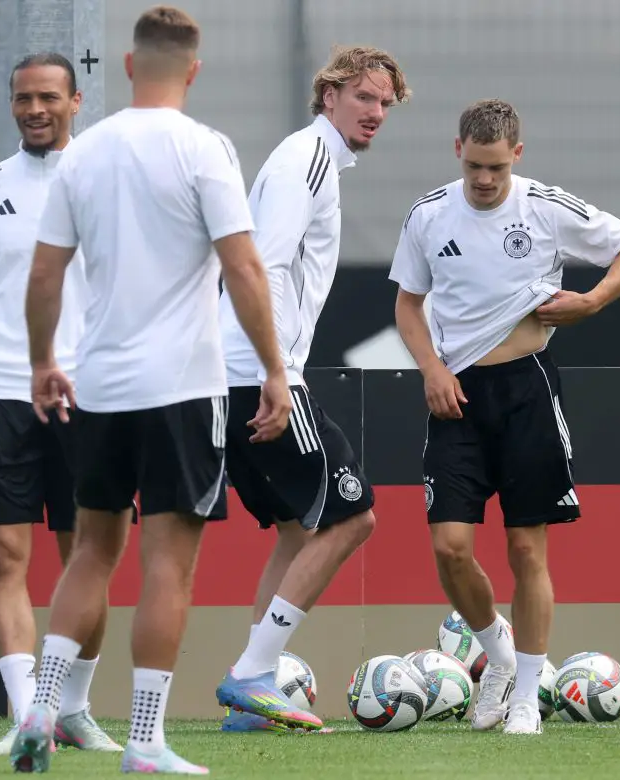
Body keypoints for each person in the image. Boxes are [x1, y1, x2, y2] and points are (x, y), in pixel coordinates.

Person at [9, 6, 297, 774]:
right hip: (182, 389)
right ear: (192, 71)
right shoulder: (205, 149)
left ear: (128, 69)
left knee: (90, 554)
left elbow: (43, 275)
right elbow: (243, 268)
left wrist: (43, 361)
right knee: (168, 567)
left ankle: (42, 703)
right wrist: (274, 369)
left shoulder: (84, 154)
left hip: (99, 387)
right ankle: (144, 740)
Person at [388, 99, 620, 735]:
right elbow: (408, 302)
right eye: (475, 165)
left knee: (524, 548)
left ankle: (526, 700)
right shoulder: (428, 214)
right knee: (450, 548)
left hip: (527, 390)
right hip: (455, 396)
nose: (485, 179)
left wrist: (591, 301)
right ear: (457, 150)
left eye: (496, 167)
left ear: (517, 155)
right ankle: (500, 658)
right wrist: (431, 367)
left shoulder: (544, 206)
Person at [213, 45, 410, 734]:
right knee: (354, 516)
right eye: (364, 97)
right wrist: (273, 372)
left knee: (299, 532)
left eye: (385, 103)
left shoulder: (309, 158)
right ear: (329, 96)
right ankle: (251, 675)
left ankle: (253, 697)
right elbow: (259, 265)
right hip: (260, 373)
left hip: (239, 372)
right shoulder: (310, 158)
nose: (376, 112)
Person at [0, 52, 122, 756]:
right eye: (23, 99)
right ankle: (28, 719)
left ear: (77, 101)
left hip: (91, 399)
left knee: (89, 559)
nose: (35, 110)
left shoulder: (107, 187)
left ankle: (71, 707)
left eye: (49, 97)